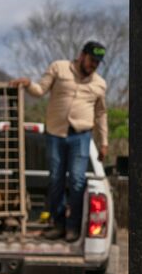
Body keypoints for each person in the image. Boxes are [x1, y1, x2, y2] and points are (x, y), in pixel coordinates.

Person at [9, 41, 108, 242]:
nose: (93, 65)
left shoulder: (99, 84)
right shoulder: (59, 68)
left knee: (78, 180)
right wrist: (28, 84)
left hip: (81, 135)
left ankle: (73, 227)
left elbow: (101, 113)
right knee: (56, 178)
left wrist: (104, 141)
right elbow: (40, 90)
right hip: (56, 133)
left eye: (97, 63)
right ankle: (58, 223)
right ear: (82, 55)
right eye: (91, 60)